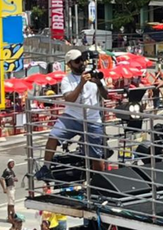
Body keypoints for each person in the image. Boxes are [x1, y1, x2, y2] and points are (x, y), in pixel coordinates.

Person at [36, 49, 109, 180]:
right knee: (53, 137)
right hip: (72, 116)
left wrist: (98, 83)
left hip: (92, 119)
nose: (82, 63)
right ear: (69, 64)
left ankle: (100, 181)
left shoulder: (93, 74)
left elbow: (106, 95)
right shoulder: (67, 79)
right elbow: (69, 99)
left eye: (82, 59)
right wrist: (81, 84)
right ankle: (46, 167)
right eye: (77, 61)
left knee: (96, 156)